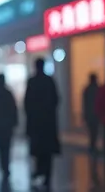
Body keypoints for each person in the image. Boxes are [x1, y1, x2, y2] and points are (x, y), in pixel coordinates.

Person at [24, 58, 61, 189]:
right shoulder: (49, 81)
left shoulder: (32, 82)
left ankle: (40, 171)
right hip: (48, 123)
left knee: (39, 150)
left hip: (36, 123)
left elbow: (27, 104)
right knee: (48, 151)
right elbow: (56, 99)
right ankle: (46, 175)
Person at [82, 73, 100, 153]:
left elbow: (85, 103)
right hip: (96, 113)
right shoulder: (97, 89)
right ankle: (93, 146)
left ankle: (92, 146)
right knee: (94, 131)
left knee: (92, 131)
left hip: (91, 114)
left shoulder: (87, 89)